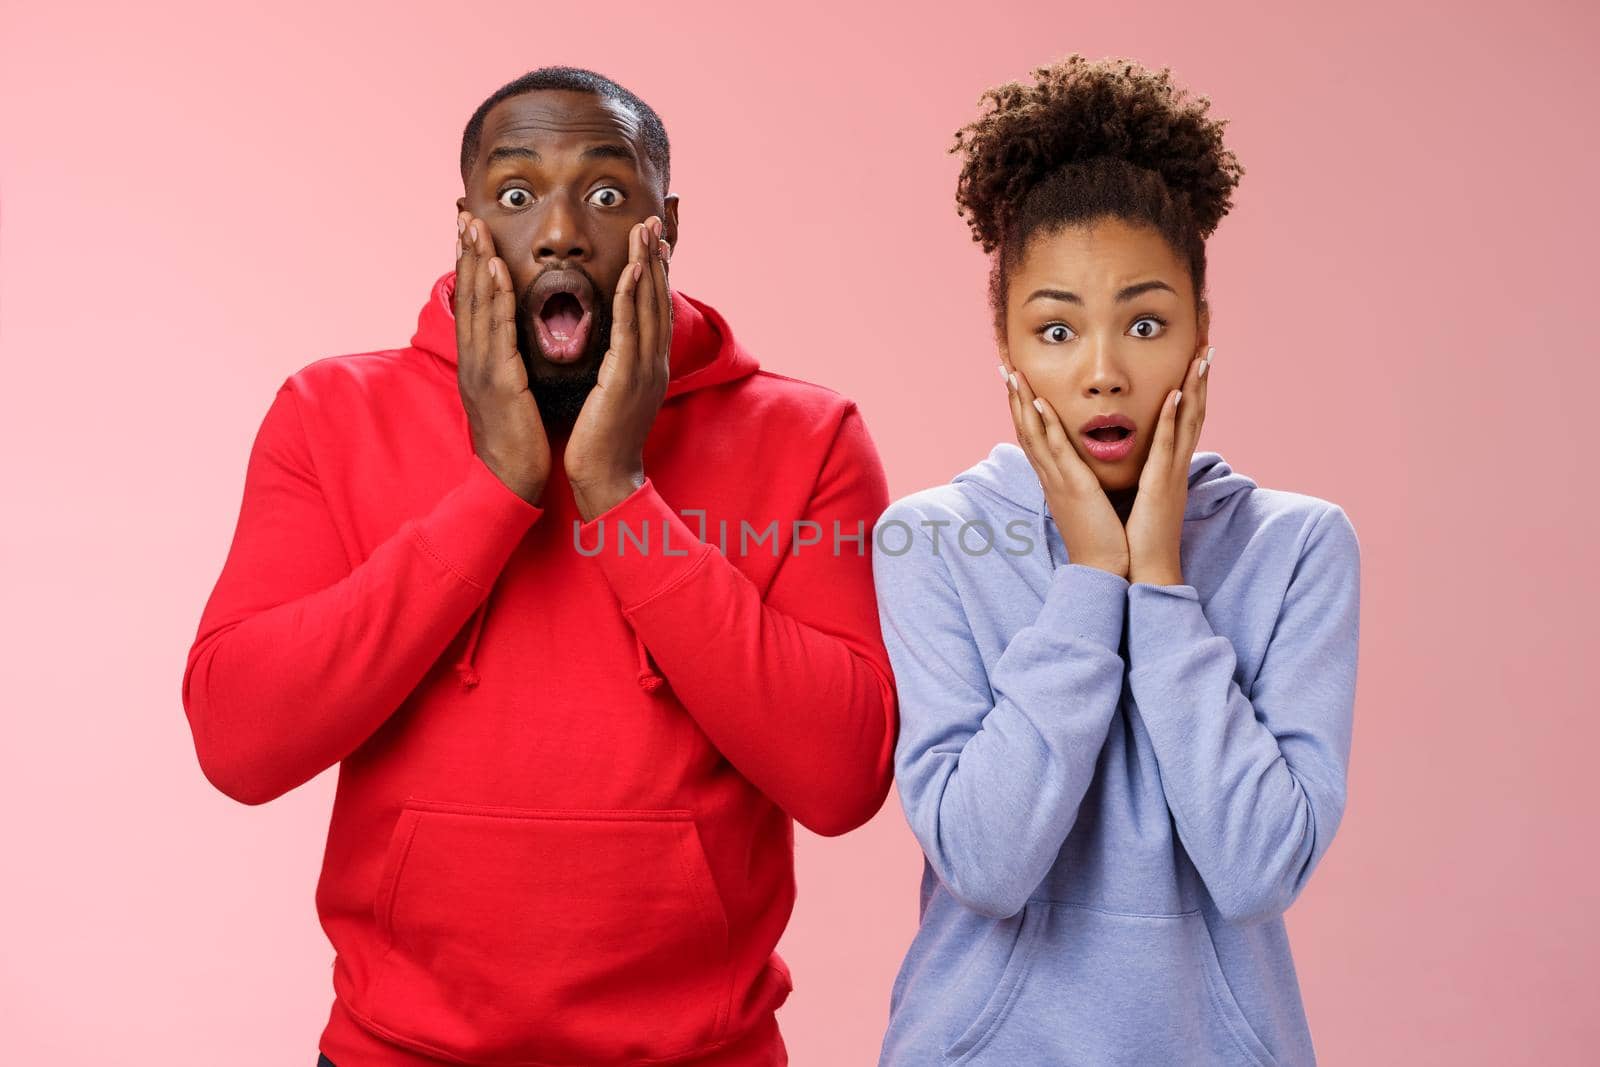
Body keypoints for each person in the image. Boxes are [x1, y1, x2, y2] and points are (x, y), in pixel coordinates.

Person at [181, 66, 898, 1067]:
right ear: (467, 224)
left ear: (668, 223)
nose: (560, 230)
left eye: (607, 194)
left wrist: (615, 492)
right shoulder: (326, 414)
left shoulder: (808, 435)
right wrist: (496, 491)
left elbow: (839, 777)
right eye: (516, 195)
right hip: (395, 1051)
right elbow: (239, 741)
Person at [872, 55, 1360, 1066]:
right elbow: (985, 859)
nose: (1102, 371)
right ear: (1004, 342)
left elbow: (1259, 865)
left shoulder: (1296, 545)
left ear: (1202, 333)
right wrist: (1092, 576)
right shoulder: (931, 537)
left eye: (1145, 322)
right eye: (1055, 328)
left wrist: (1162, 580)